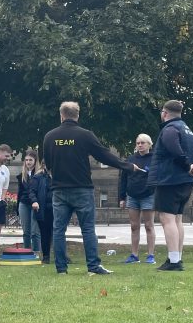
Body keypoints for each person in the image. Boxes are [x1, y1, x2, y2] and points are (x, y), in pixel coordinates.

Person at [42, 101, 135, 276]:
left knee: (59, 229)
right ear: (77, 115)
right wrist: (128, 166)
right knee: (87, 228)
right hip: (82, 188)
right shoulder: (85, 135)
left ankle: (61, 268)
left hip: (59, 189)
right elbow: (105, 156)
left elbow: (47, 162)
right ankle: (93, 266)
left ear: (61, 115)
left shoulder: (49, 136)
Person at [150, 100, 193, 271]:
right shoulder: (187, 130)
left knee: (167, 218)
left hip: (170, 179)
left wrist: (187, 165)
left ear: (165, 113)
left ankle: (173, 261)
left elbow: (174, 150)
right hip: (185, 180)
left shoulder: (170, 129)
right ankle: (177, 257)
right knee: (177, 218)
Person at [118, 133, 156, 263]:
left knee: (149, 226)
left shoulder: (155, 159)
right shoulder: (130, 159)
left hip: (148, 196)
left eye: (142, 143)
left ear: (149, 144)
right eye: (138, 143)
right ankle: (134, 255)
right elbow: (123, 179)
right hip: (132, 196)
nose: (140, 145)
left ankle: (151, 255)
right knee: (134, 226)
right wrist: (122, 197)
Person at [16, 150, 41, 256]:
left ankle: (36, 253)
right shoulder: (22, 175)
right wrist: (17, 207)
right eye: (26, 160)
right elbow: (19, 193)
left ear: (35, 161)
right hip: (24, 203)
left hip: (35, 204)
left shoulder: (40, 175)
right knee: (26, 231)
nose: (28, 162)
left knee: (35, 231)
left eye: (30, 160)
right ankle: (27, 252)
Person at [28, 161, 53, 263]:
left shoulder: (60, 176)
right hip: (43, 208)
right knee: (45, 233)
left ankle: (61, 256)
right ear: (44, 165)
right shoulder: (38, 177)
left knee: (58, 232)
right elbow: (32, 191)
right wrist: (34, 201)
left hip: (57, 208)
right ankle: (46, 256)